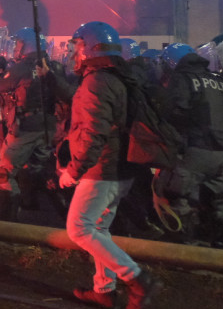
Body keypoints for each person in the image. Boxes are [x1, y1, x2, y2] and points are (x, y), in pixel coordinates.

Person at [59, 21, 159, 309]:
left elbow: (93, 133)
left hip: (102, 169)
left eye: (78, 46)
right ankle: (103, 290)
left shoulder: (97, 82)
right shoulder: (116, 78)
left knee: (79, 228)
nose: (74, 52)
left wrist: (73, 171)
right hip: (120, 167)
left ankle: (138, 279)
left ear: (91, 47)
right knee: (99, 228)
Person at [154, 43, 223, 248]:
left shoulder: (182, 78)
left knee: (176, 195)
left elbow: (174, 112)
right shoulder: (219, 80)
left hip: (197, 149)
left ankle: (184, 246)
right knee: (219, 202)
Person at [0, 28, 71, 220]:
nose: (16, 46)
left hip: (26, 127)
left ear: (28, 44)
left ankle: (6, 223)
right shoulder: (54, 66)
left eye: (19, 43)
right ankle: (66, 212)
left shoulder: (21, 67)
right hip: (49, 127)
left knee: (4, 173)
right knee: (39, 170)